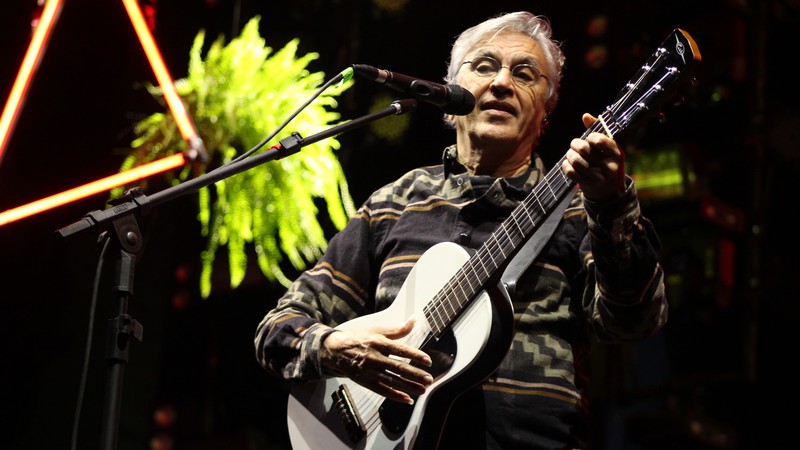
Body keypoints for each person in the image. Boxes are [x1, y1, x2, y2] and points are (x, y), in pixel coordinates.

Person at [254, 10, 668, 449]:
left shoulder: (582, 208)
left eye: (525, 74)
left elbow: (635, 323)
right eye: (484, 66)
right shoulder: (397, 200)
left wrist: (612, 204)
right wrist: (336, 346)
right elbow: (277, 328)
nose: (502, 83)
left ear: (547, 109)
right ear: (450, 99)